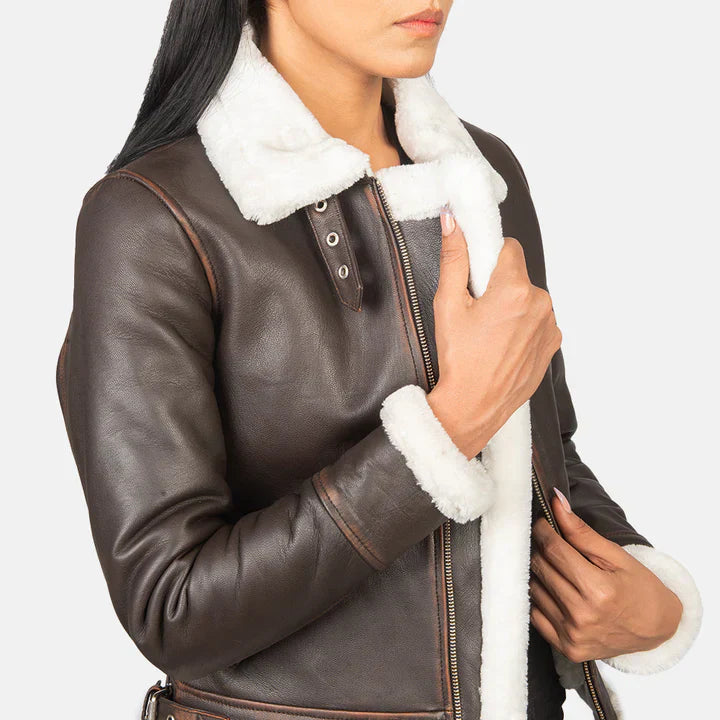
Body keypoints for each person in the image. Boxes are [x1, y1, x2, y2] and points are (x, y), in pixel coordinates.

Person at [55, 2, 702, 719]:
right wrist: (444, 431)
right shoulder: (153, 218)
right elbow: (171, 608)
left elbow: (545, 453)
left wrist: (649, 599)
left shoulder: (481, 178)